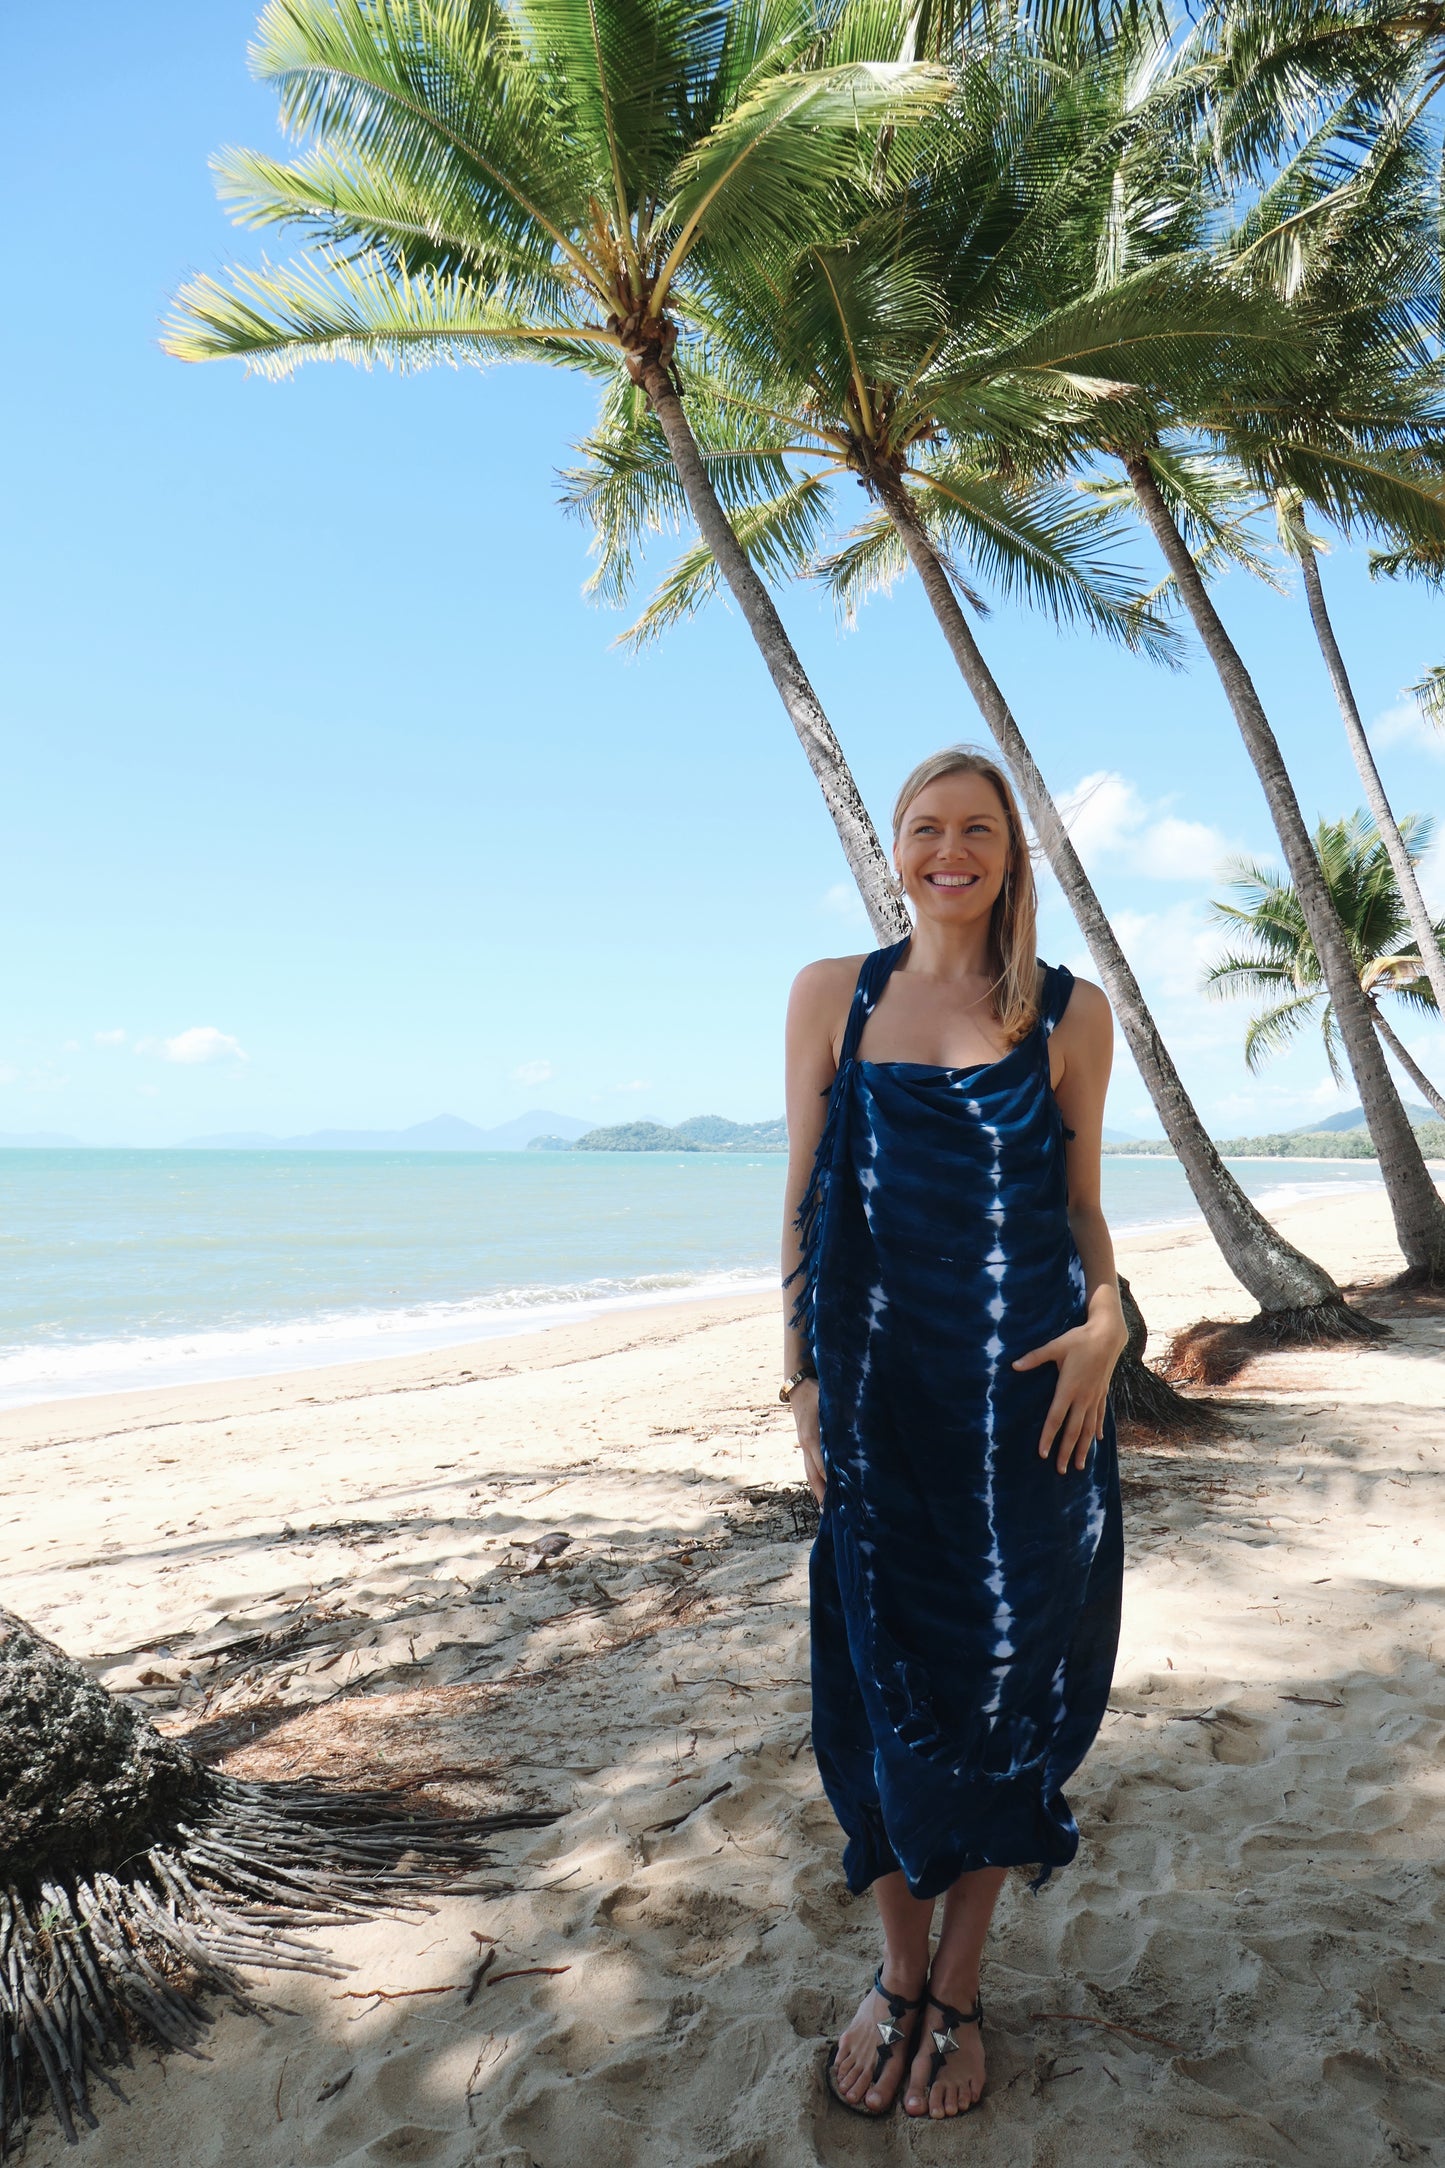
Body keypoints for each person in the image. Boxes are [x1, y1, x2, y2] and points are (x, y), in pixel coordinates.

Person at [781, 745, 1127, 2121]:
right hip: (878, 1403)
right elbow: (804, 1193)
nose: (950, 851)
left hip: (1032, 1410)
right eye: (927, 827)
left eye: (978, 829)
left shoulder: (1067, 1013)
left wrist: (1109, 1318)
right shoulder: (834, 994)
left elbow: (1082, 1208)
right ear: (897, 847)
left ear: (1010, 852)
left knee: (1004, 1691)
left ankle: (959, 1983)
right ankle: (895, 1971)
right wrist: (801, 1382)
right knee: (873, 1680)